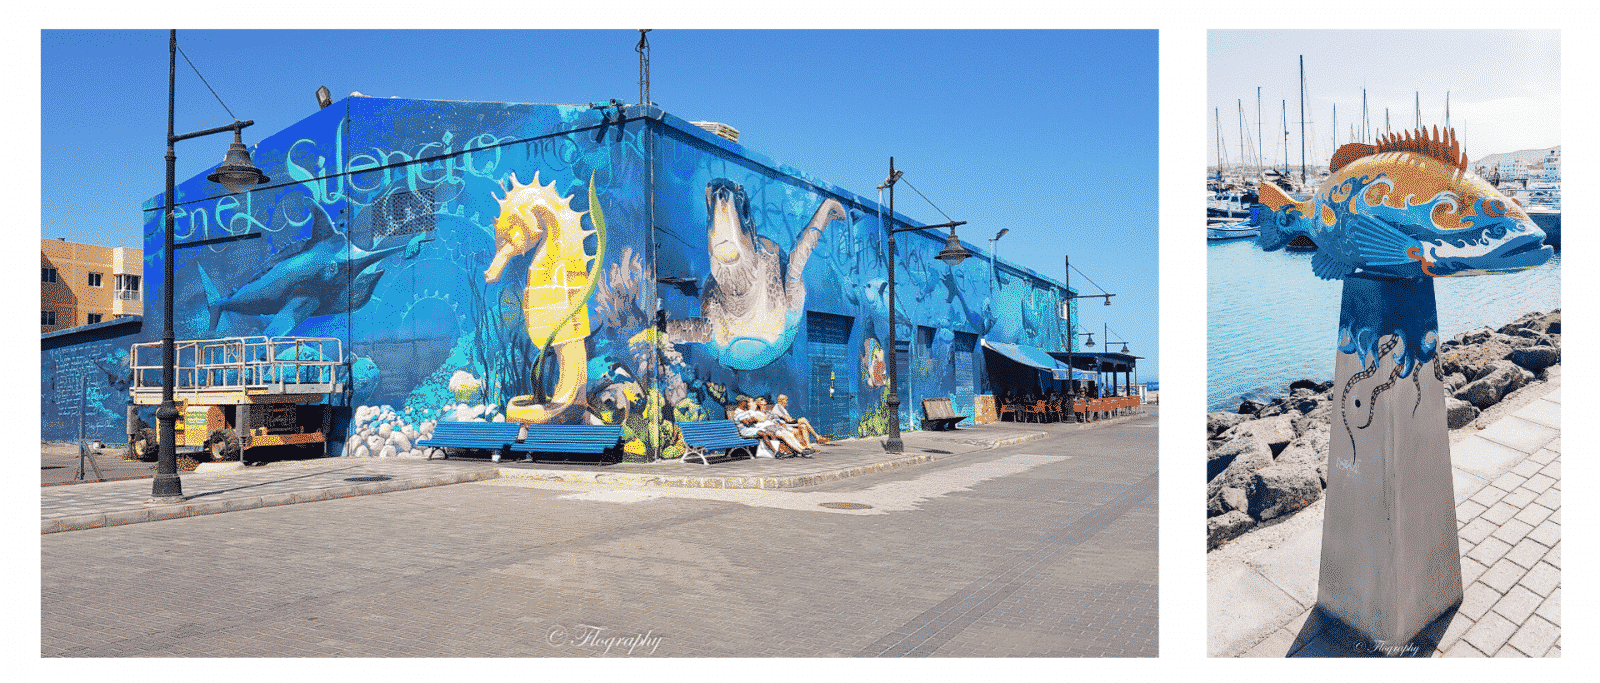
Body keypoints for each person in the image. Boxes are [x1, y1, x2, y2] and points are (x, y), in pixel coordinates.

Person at [750, 398, 815, 457]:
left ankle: (803, 448)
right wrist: (767, 418)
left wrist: (770, 418)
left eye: (764, 400)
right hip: (767, 428)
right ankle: (801, 451)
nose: (764, 401)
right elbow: (760, 419)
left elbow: (771, 419)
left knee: (789, 434)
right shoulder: (755, 413)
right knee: (784, 435)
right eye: (761, 400)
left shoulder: (767, 412)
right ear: (757, 403)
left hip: (774, 426)